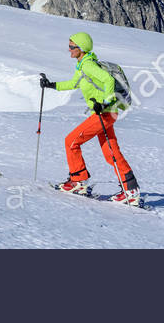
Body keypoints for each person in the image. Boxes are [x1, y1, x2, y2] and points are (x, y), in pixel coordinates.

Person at [39, 31, 140, 204]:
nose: (69, 49)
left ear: (81, 48)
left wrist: (105, 102)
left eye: (72, 46)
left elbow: (108, 80)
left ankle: (78, 181)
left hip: (104, 113)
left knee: (71, 141)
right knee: (111, 152)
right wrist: (51, 85)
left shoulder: (88, 66)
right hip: (107, 112)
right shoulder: (83, 65)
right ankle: (130, 191)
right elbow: (72, 84)